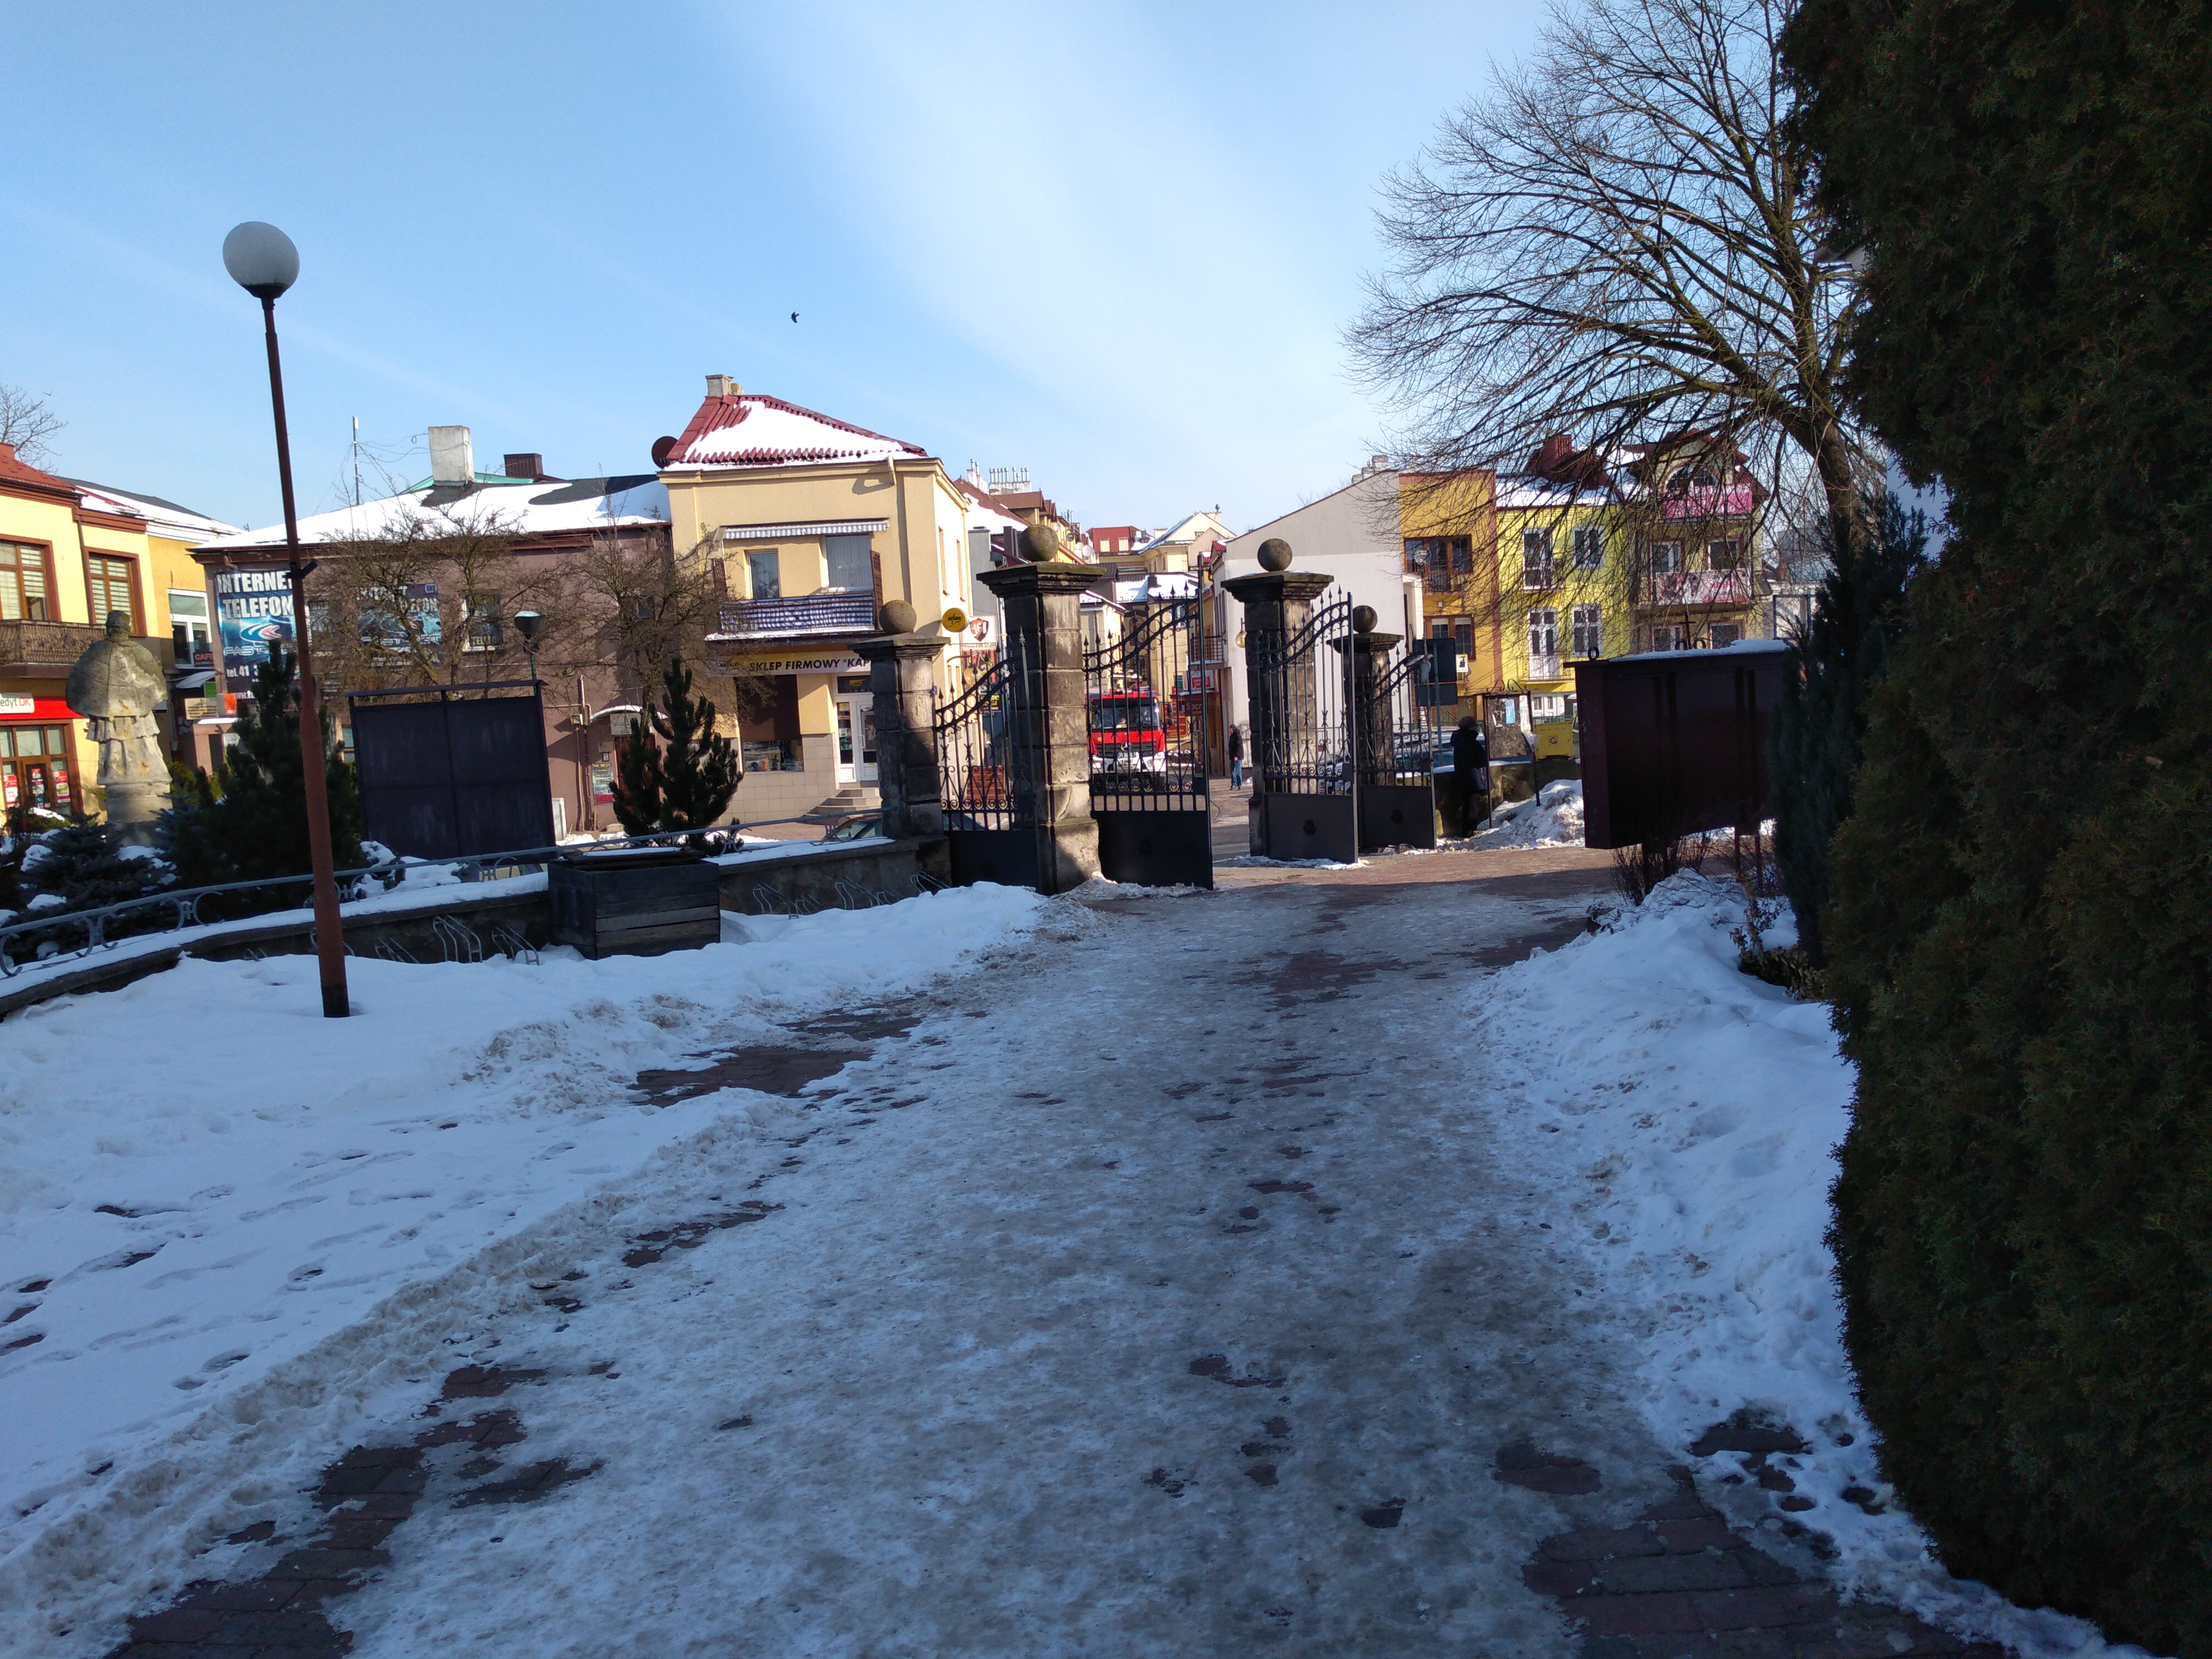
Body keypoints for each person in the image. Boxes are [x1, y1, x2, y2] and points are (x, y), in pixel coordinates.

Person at [1450, 714, 1488, 828]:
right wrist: (1478, 783)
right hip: (1471, 781)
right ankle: (1469, 832)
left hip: (1468, 780)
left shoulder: (1464, 740)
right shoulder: (1467, 742)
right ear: (1470, 727)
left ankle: (1469, 831)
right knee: (1472, 808)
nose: (1476, 728)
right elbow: (1469, 764)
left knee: (1470, 807)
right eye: (1474, 726)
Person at [1227, 722, 1245, 789]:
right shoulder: (1231, 736)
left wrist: (1236, 756)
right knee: (1232, 770)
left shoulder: (1238, 736)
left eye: (1230, 729)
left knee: (1238, 771)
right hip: (1232, 756)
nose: (1229, 730)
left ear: (1232, 729)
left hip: (1237, 757)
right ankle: (1234, 784)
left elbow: (1239, 747)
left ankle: (1240, 785)